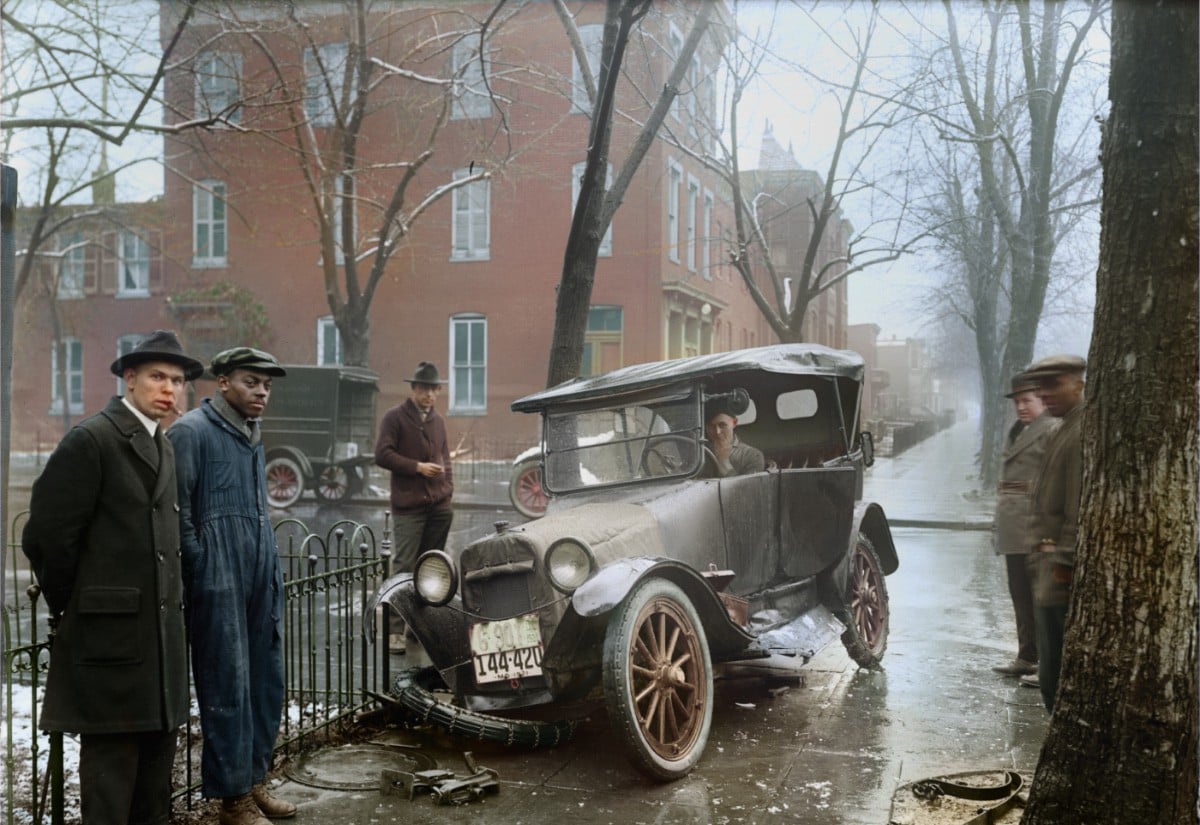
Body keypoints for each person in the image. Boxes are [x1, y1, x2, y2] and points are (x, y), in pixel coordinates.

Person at [21, 330, 203, 825]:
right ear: (129, 378)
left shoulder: (161, 442)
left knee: (153, 793)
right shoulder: (93, 440)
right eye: (157, 377)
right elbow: (46, 537)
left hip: (157, 653)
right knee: (110, 788)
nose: (169, 389)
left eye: (178, 380)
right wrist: (80, 604)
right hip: (110, 651)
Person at [167, 347, 295, 825]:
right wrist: (201, 569)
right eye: (250, 381)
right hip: (217, 577)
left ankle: (254, 778)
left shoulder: (250, 433)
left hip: (259, 569)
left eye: (266, 383)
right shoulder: (191, 433)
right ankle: (232, 799)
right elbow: (177, 515)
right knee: (227, 684)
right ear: (222, 382)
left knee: (266, 680)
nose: (261, 391)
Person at [1023, 354, 1086, 711]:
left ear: (1078, 383)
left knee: (1056, 668)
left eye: (1054, 384)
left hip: (1060, 570)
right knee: (1050, 660)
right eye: (1041, 387)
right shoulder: (1064, 426)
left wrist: (1065, 561)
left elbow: (1078, 504)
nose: (1045, 394)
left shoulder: (1080, 430)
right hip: (1048, 562)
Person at [991, 372, 1058, 679]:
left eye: (1026, 400)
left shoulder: (1052, 430)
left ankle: (1049, 664)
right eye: (1017, 401)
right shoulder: (1019, 429)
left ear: (1042, 400)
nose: (1020, 407)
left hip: (1037, 525)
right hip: (1013, 527)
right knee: (1019, 594)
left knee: (1042, 598)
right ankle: (1026, 655)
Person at [374, 360, 455, 572]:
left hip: (439, 509)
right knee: (404, 567)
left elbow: (445, 459)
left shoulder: (438, 422)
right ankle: (400, 606)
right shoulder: (395, 417)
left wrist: (447, 491)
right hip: (409, 508)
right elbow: (382, 455)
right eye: (424, 388)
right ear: (414, 389)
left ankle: (425, 606)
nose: (430, 394)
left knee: (431, 566)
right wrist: (418, 467)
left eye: (434, 389)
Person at [702, 403, 765, 477]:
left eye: (722, 425)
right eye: (711, 426)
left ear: (734, 423)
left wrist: (723, 461)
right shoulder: (698, 453)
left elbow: (747, 488)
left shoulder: (753, 456)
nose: (717, 432)